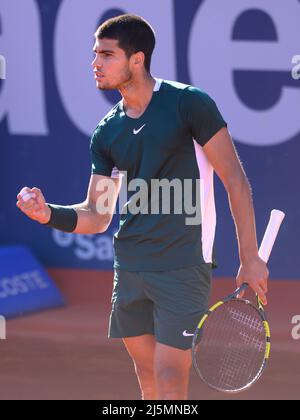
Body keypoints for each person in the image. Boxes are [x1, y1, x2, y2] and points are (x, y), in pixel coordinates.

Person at [16, 14, 269, 400]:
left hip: (183, 266)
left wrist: (249, 257)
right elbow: (98, 216)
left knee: (170, 379)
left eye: (107, 54)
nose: (95, 64)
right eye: (94, 54)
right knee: (149, 379)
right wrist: (47, 213)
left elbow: (235, 180)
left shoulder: (189, 105)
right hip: (131, 269)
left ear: (137, 59)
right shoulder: (107, 132)